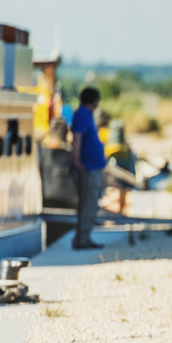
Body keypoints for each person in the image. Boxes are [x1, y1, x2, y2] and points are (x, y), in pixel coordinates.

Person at [70, 86, 106, 250]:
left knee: (90, 204)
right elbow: (77, 139)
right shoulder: (83, 114)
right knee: (88, 205)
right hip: (87, 168)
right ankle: (82, 240)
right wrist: (78, 162)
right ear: (95, 101)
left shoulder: (85, 114)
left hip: (92, 167)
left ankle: (84, 238)